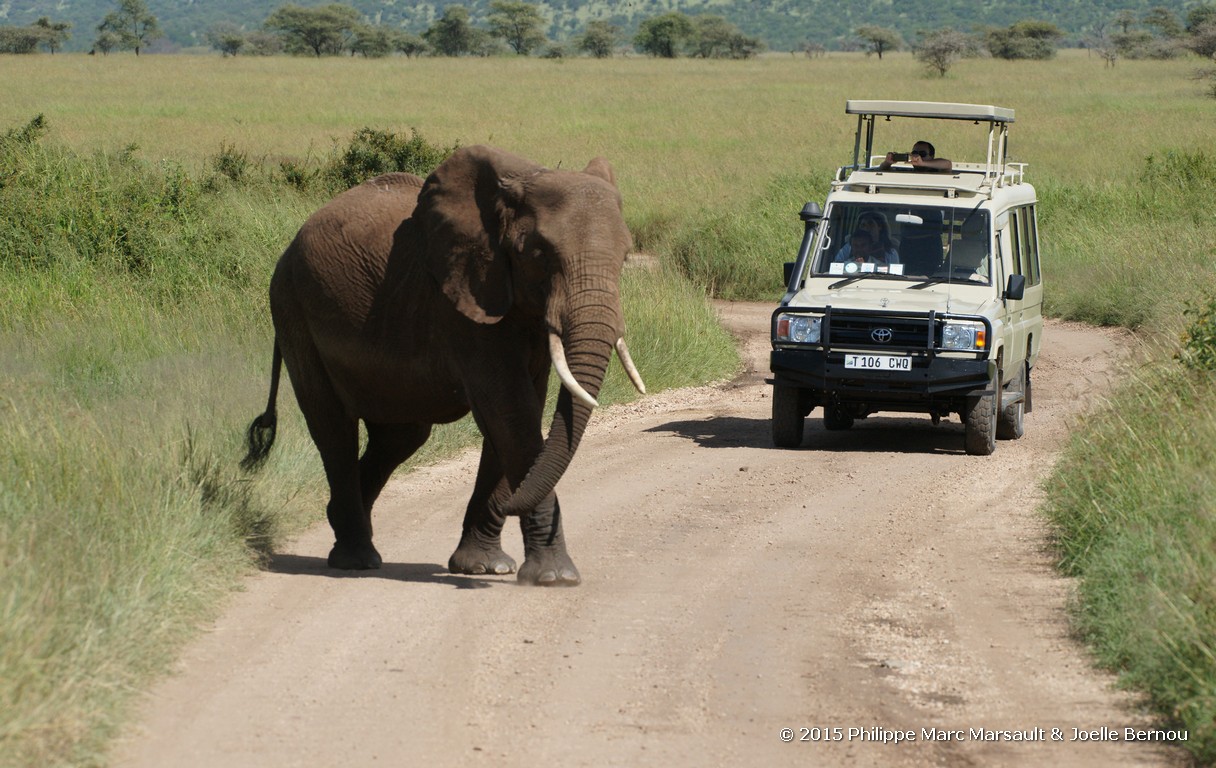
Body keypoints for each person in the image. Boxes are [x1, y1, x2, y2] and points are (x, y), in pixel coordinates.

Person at [835, 217, 899, 265]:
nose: (866, 228)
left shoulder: (890, 252)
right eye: (863, 225)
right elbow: (837, 266)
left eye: (871, 225)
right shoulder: (847, 249)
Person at [879, 140, 953, 172]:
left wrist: (923, 163)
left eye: (922, 154)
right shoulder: (908, 171)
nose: (918, 156)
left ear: (932, 156)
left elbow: (947, 164)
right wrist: (887, 162)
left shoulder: (939, 171)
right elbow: (881, 170)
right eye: (914, 153)